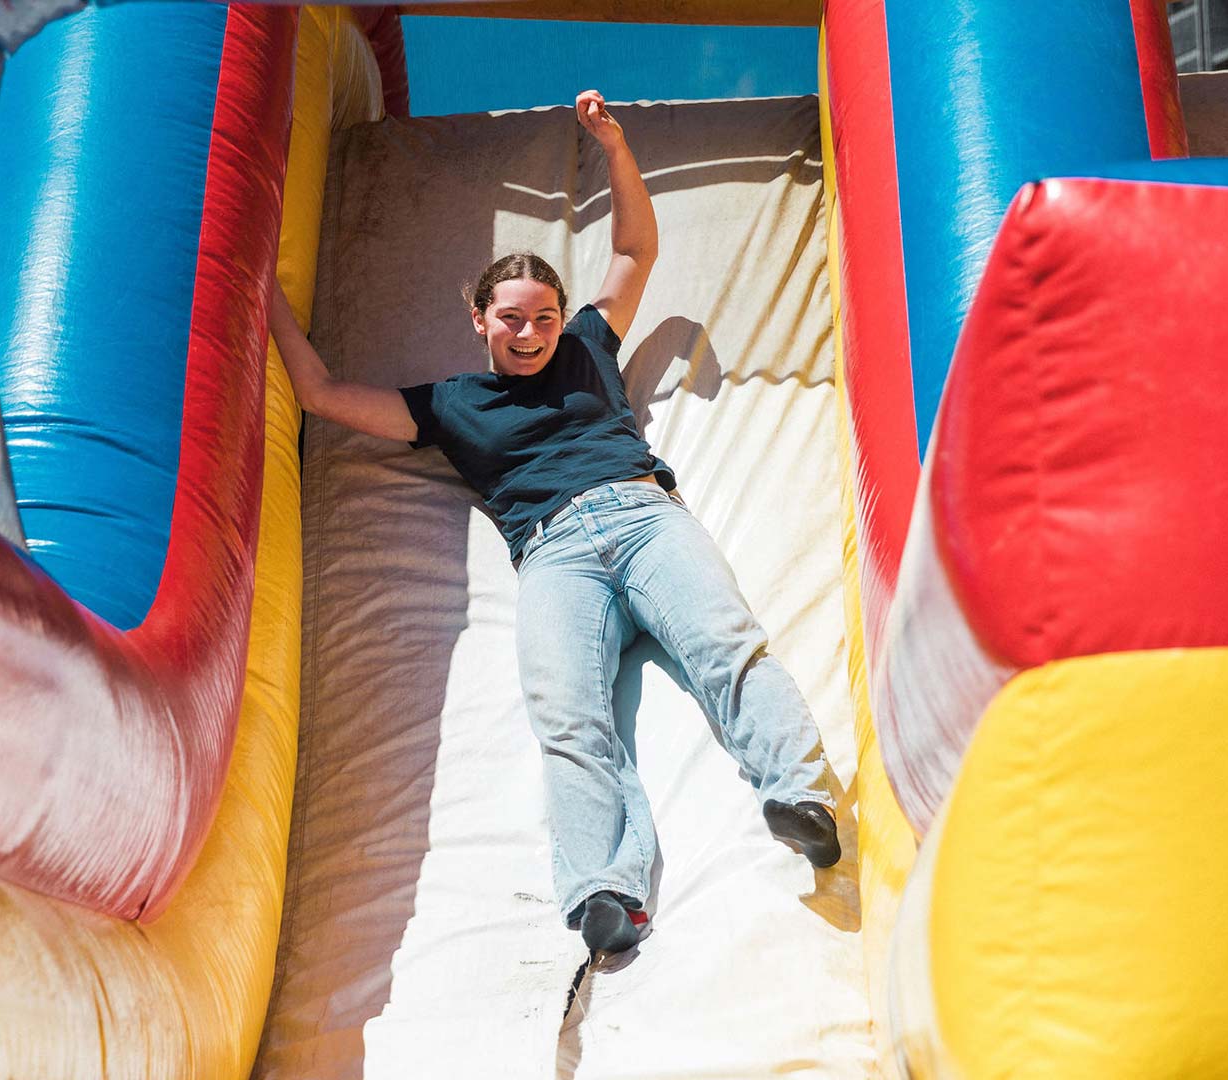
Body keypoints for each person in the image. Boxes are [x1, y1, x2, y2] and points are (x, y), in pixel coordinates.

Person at [267, 90, 839, 956]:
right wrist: (261, 293)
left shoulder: (586, 343)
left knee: (725, 642)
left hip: (642, 513)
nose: (530, 332)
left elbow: (636, 249)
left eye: (541, 316)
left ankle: (800, 793)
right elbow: (321, 395)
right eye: (511, 319)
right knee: (567, 714)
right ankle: (606, 888)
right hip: (554, 556)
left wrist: (614, 145)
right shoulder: (450, 404)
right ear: (480, 322)